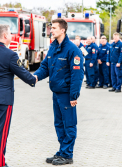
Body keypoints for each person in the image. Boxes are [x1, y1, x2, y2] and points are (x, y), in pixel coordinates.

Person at [0, 24, 37, 167]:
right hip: (3, 98)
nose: (11, 36)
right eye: (10, 33)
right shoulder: (10, 55)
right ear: (4, 36)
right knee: (1, 132)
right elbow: (23, 74)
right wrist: (34, 79)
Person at [34, 18, 84, 165]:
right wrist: (35, 77)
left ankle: (67, 155)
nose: (52, 30)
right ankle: (62, 151)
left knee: (69, 124)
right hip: (56, 93)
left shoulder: (72, 50)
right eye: (51, 28)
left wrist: (74, 96)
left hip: (67, 94)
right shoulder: (53, 47)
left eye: (54, 28)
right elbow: (45, 67)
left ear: (63, 30)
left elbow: (77, 75)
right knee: (59, 124)